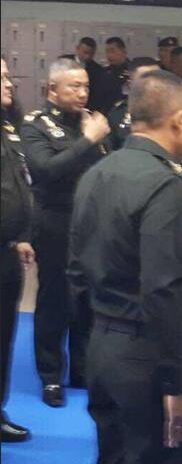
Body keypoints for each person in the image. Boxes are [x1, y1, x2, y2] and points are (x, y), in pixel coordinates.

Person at [68, 70, 182, 464]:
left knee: (113, 460)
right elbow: (160, 290)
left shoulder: (97, 173)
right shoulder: (166, 184)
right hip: (148, 353)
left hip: (102, 345)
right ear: (178, 119)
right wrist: (176, 382)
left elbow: (76, 271)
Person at [20, 58, 111, 407]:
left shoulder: (91, 122)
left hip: (91, 222)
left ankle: (83, 368)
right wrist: (88, 141)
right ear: (52, 90)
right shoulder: (36, 125)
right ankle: (50, 375)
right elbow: (46, 170)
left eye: (86, 86)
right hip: (55, 222)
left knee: (88, 298)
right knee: (55, 299)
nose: (82, 92)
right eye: (74, 86)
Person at [1, 58, 35, 442]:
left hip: (8, 250)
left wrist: (22, 234)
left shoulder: (8, 126)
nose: (10, 84)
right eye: (2, 79)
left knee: (3, 336)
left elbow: (18, 186)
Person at [107, 57, 160, 150]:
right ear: (130, 84)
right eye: (145, 81)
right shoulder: (118, 114)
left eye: (158, 80)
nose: (153, 85)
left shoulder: (173, 111)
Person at [61, 37, 102, 111]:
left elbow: (95, 93)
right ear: (77, 49)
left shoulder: (97, 69)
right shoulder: (63, 62)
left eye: (91, 54)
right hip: (64, 104)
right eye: (85, 52)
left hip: (85, 108)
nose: (88, 56)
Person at [96, 37, 130, 113]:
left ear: (123, 51)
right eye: (107, 52)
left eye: (112, 51)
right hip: (106, 113)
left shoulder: (133, 71)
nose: (109, 55)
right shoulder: (104, 72)